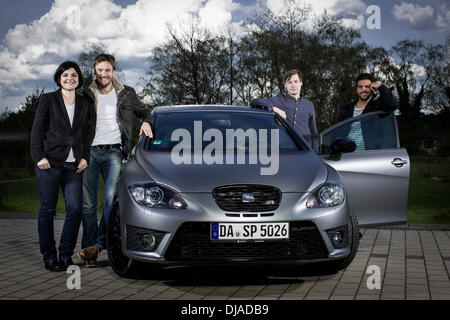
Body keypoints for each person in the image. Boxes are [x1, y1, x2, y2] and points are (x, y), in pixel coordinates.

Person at [78, 54, 154, 267]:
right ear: (95, 70)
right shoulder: (85, 94)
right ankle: (88, 251)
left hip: (114, 152)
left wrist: (146, 122)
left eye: (107, 70)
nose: (103, 74)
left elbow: (145, 111)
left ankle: (100, 243)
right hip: (90, 152)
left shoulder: (126, 94)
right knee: (88, 204)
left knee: (111, 198)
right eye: (100, 70)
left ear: (113, 71)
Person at [30, 61, 92, 271]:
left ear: (79, 79)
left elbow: (86, 133)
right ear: (59, 78)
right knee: (48, 209)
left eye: (74, 75)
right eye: (65, 75)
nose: (69, 78)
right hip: (50, 164)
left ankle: (65, 255)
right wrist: (39, 157)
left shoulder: (85, 103)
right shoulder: (48, 100)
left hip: (74, 166)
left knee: (75, 210)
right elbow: (37, 130)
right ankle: (49, 257)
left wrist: (85, 157)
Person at [250, 69, 319, 153]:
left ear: (301, 83)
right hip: (284, 149)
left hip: (306, 150)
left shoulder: (309, 105)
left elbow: (314, 132)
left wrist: (315, 152)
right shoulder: (278, 100)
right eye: (289, 82)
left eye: (295, 81)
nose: (293, 85)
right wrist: (273, 108)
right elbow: (255, 101)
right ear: (285, 85)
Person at [337, 73, 398, 150]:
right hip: (347, 156)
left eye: (367, 86)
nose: (363, 90)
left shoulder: (377, 106)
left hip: (369, 156)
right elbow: (338, 133)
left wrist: (380, 86)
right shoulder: (346, 109)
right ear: (357, 89)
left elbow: (392, 104)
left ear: (372, 88)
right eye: (360, 87)